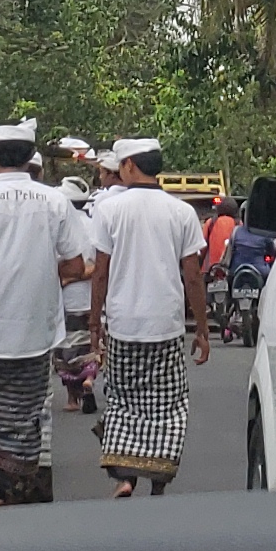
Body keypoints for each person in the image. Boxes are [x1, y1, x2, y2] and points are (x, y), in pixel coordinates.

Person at [0, 121, 93, 506]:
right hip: (36, 331)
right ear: (31, 157)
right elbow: (77, 267)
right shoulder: (55, 202)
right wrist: (43, 272)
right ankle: (17, 488)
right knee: (25, 412)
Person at [84, 138, 211, 496]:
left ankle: (126, 477)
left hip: (123, 324)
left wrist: (95, 323)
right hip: (166, 326)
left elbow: (101, 273)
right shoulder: (181, 212)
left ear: (128, 166)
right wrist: (201, 329)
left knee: (124, 402)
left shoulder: (109, 211)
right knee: (167, 407)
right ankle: (158, 482)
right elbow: (193, 275)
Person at [53, 178, 103, 412]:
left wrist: (67, 278)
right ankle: (89, 379)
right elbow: (99, 266)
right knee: (89, 345)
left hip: (62, 297)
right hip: (87, 297)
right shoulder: (94, 226)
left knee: (65, 349)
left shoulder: (57, 227)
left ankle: (72, 398)